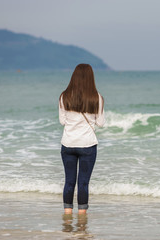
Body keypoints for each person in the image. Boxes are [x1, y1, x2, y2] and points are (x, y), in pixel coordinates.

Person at [59, 63, 105, 215]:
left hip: (68, 144)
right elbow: (101, 123)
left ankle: (67, 215)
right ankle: (82, 218)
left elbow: (62, 121)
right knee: (83, 183)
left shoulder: (64, 96)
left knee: (69, 181)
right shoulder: (97, 97)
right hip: (87, 144)